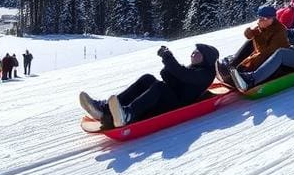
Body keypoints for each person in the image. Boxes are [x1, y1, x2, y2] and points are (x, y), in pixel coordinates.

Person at [79, 43, 219, 129]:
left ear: (206, 58)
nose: (193, 54)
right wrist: (168, 70)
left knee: (159, 87)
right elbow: (179, 78)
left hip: (178, 105)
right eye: (194, 51)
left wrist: (167, 57)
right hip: (174, 98)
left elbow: (182, 74)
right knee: (148, 79)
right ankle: (104, 110)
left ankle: (128, 114)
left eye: (198, 53)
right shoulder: (196, 69)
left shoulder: (205, 74)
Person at [215, 5, 290, 85]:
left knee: (251, 61)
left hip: (272, 60)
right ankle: (232, 65)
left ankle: (241, 74)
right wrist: (251, 31)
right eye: (260, 18)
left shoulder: (280, 31)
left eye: (264, 18)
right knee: (250, 43)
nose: (261, 20)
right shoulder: (262, 26)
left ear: (272, 18)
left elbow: (269, 52)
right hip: (260, 54)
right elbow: (248, 36)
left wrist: (246, 64)